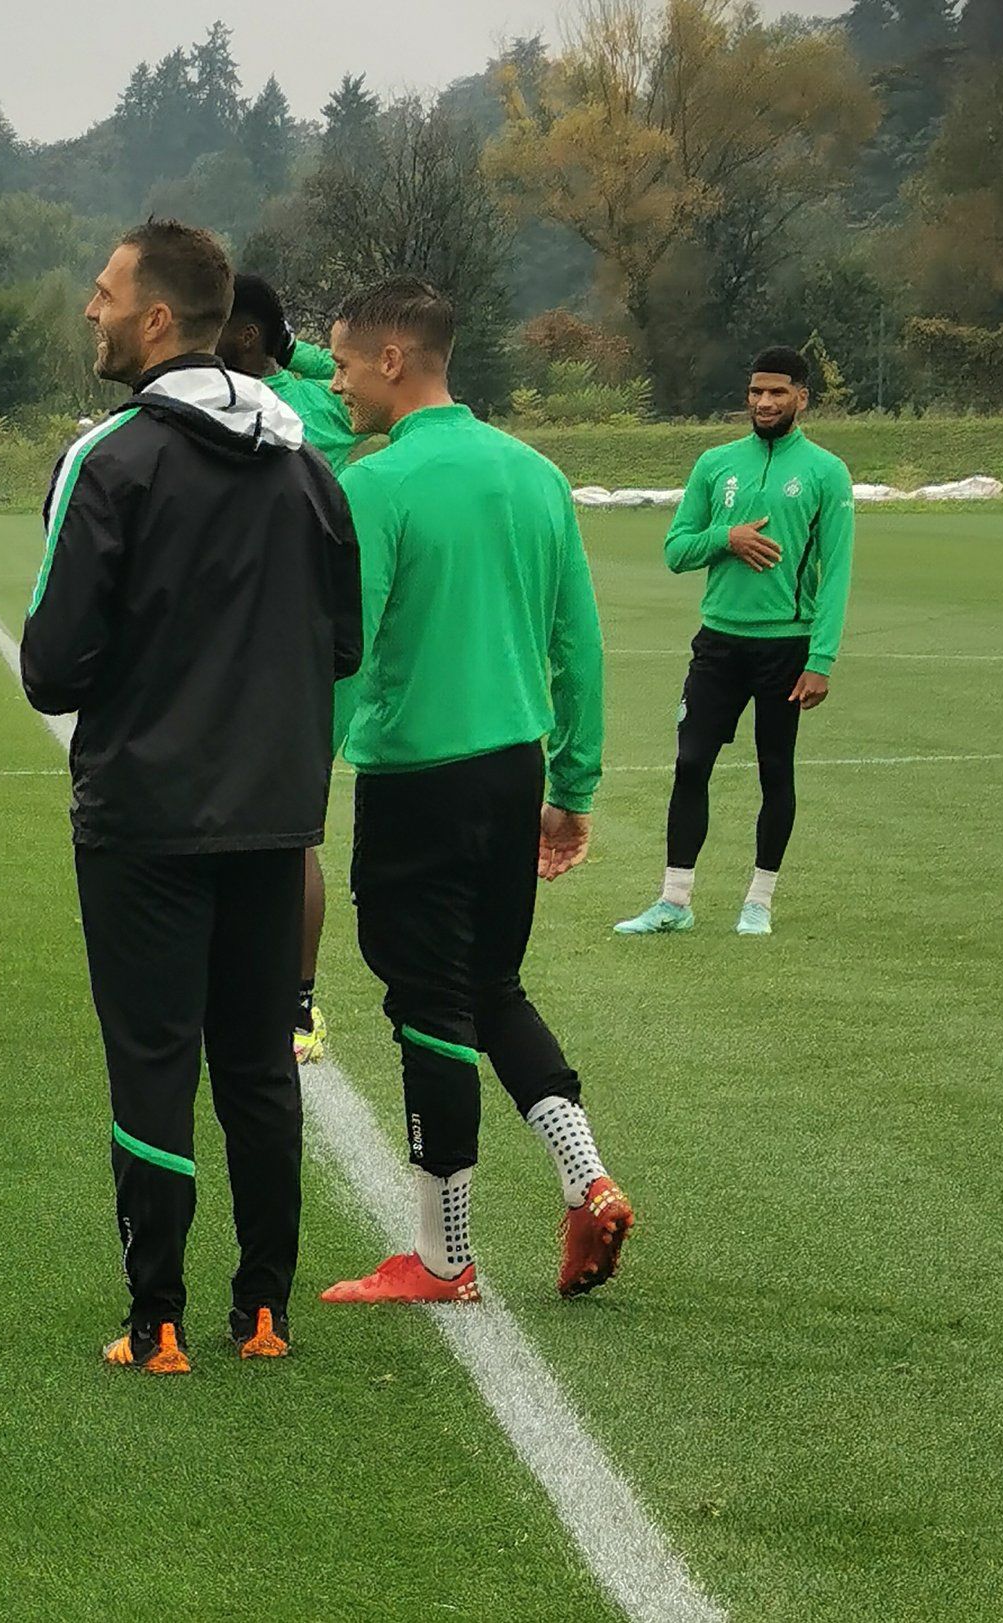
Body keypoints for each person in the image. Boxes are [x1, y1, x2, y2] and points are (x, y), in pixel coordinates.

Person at [22, 220, 360, 1373]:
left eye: (103, 292)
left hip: (145, 821)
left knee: (152, 1059)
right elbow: (345, 645)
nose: (90, 310)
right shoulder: (307, 466)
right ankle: (262, 1310)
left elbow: (50, 668)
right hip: (275, 819)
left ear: (154, 319)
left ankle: (155, 1317)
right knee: (258, 1061)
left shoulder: (107, 461)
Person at [316, 277, 631, 1305]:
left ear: (393, 359)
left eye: (344, 362)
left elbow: (344, 652)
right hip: (511, 769)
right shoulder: (534, 474)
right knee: (489, 986)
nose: (338, 382)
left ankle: (441, 1256)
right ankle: (586, 1179)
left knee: (427, 1005)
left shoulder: (377, 482)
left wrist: (296, 779)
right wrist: (572, 782)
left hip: (416, 783)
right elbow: (575, 641)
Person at [616, 346, 856, 939]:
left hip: (787, 649)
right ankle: (674, 901)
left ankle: (759, 901)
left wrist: (821, 659)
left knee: (775, 770)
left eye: (777, 393)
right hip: (718, 645)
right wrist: (727, 537)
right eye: (756, 392)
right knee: (690, 762)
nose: (764, 403)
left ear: (802, 396)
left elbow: (838, 572)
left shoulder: (827, 472)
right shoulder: (715, 463)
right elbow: (676, 551)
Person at [216, 271, 364, 1066]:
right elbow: (331, 371)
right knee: (293, 827)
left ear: (238, 341)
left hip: (254, 641)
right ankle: (295, 999)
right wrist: (280, 342)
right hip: (315, 640)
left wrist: (266, 342)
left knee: (272, 828)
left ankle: (289, 998)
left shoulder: (231, 410)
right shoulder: (330, 412)